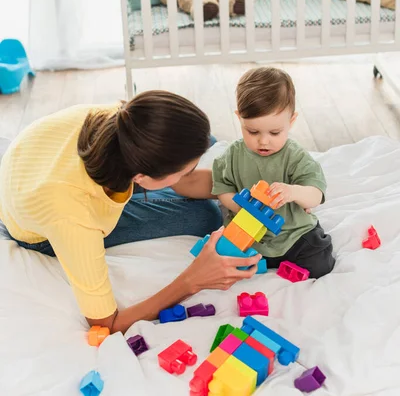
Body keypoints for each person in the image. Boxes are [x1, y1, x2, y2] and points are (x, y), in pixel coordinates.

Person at [0, 90, 261, 334]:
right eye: (187, 172)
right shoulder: (73, 216)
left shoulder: (124, 120)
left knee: (197, 142)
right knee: (205, 216)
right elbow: (108, 323)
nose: (192, 173)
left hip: (30, 165)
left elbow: (184, 174)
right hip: (35, 224)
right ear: (140, 177)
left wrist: (241, 184)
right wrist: (194, 280)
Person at [213, 67, 335, 279]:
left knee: (320, 263)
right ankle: (260, 261)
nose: (263, 141)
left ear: (292, 121)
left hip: (292, 233)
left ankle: (283, 259)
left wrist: (293, 192)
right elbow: (222, 190)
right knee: (222, 259)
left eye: (275, 132)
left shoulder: (295, 156)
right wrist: (243, 207)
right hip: (248, 235)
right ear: (239, 118)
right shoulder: (232, 155)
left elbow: (315, 194)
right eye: (252, 131)